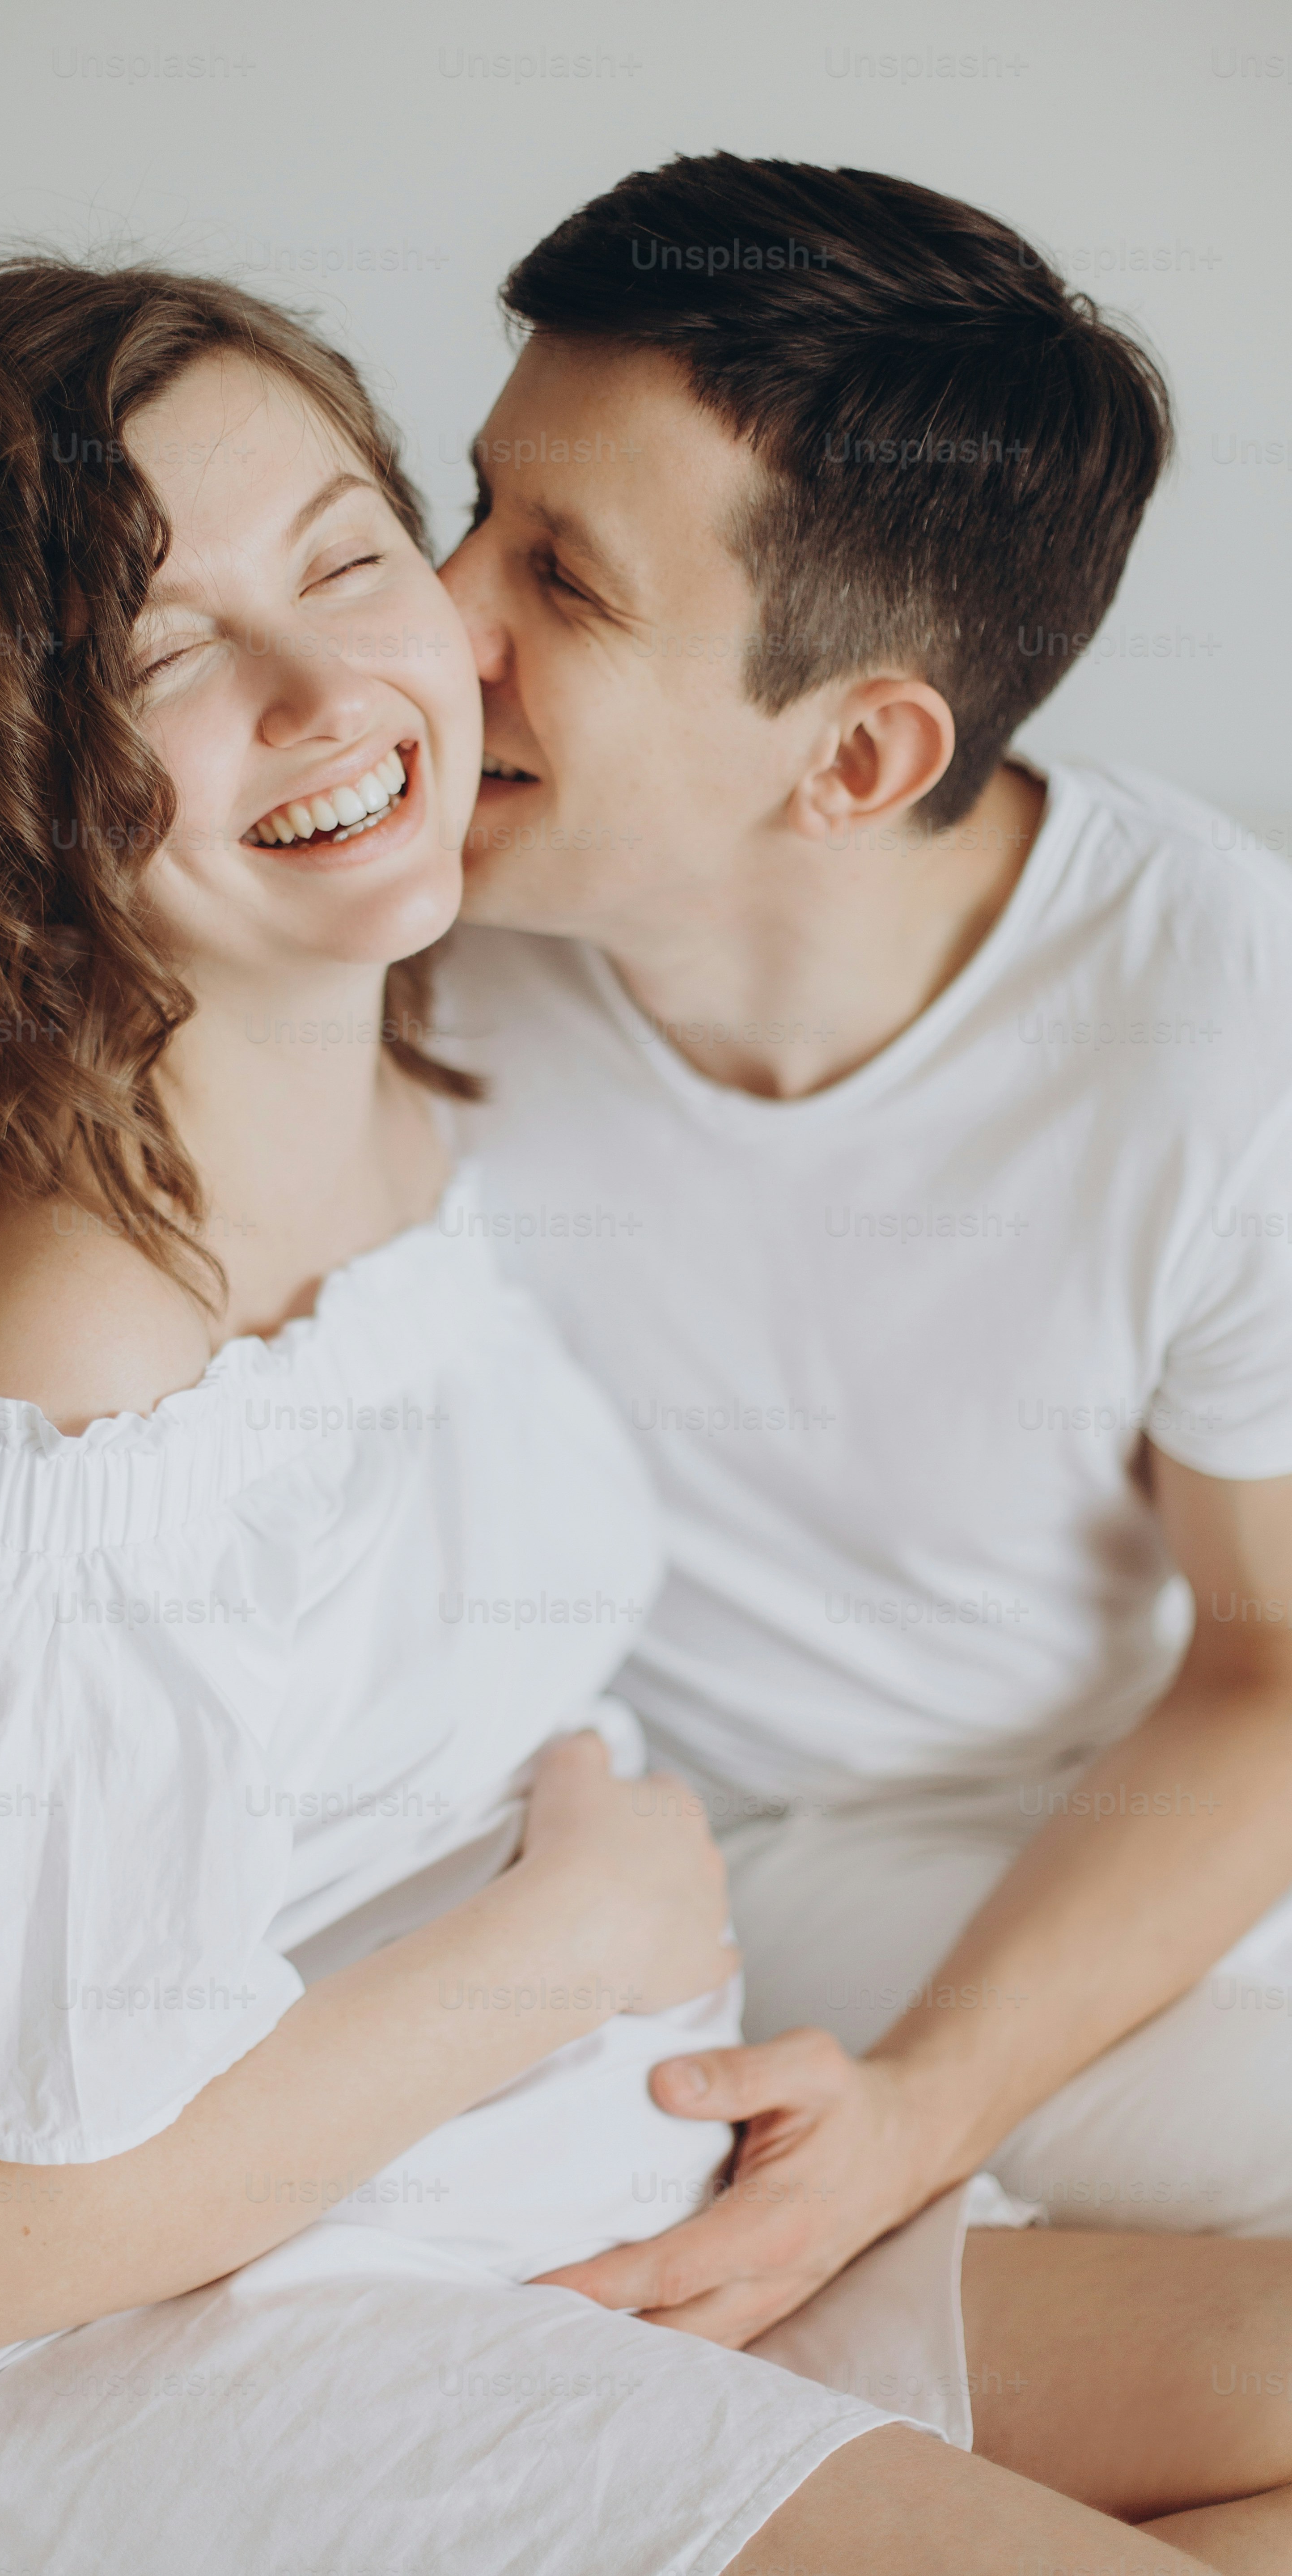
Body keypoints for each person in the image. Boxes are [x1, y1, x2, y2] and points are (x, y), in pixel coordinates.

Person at [0, 256, 1289, 2576]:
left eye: (347, 552)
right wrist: (550, 1952)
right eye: (165, 650)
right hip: (152, 2344)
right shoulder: (49, 1380)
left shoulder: (432, 1065)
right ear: (1, 767)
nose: (374, 674)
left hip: (526, 2182)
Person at [435, 150, 1292, 2377]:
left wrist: (926, 2112)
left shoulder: (1217, 1011)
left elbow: (1274, 1660)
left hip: (1100, 1840)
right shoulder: (403, 915)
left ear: (861, 753)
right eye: (469, 511)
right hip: (700, 1857)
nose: (434, 624)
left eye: (561, 581)